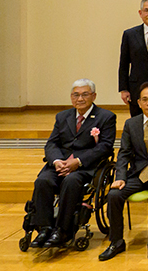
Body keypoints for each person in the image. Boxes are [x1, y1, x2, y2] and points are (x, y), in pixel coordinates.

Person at [29, 79, 117, 249]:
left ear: (94, 96)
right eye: (76, 95)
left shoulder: (106, 117)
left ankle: (62, 230)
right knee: (43, 181)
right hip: (60, 164)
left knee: (71, 182)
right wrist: (56, 161)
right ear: (71, 97)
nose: (80, 99)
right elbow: (52, 143)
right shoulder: (62, 116)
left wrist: (78, 161)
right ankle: (44, 228)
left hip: (85, 167)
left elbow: (105, 147)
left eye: (85, 94)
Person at [100, 82, 148, 261]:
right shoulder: (131, 124)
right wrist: (120, 177)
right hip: (137, 174)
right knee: (114, 194)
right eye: (145, 99)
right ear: (138, 102)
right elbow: (124, 153)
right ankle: (116, 242)